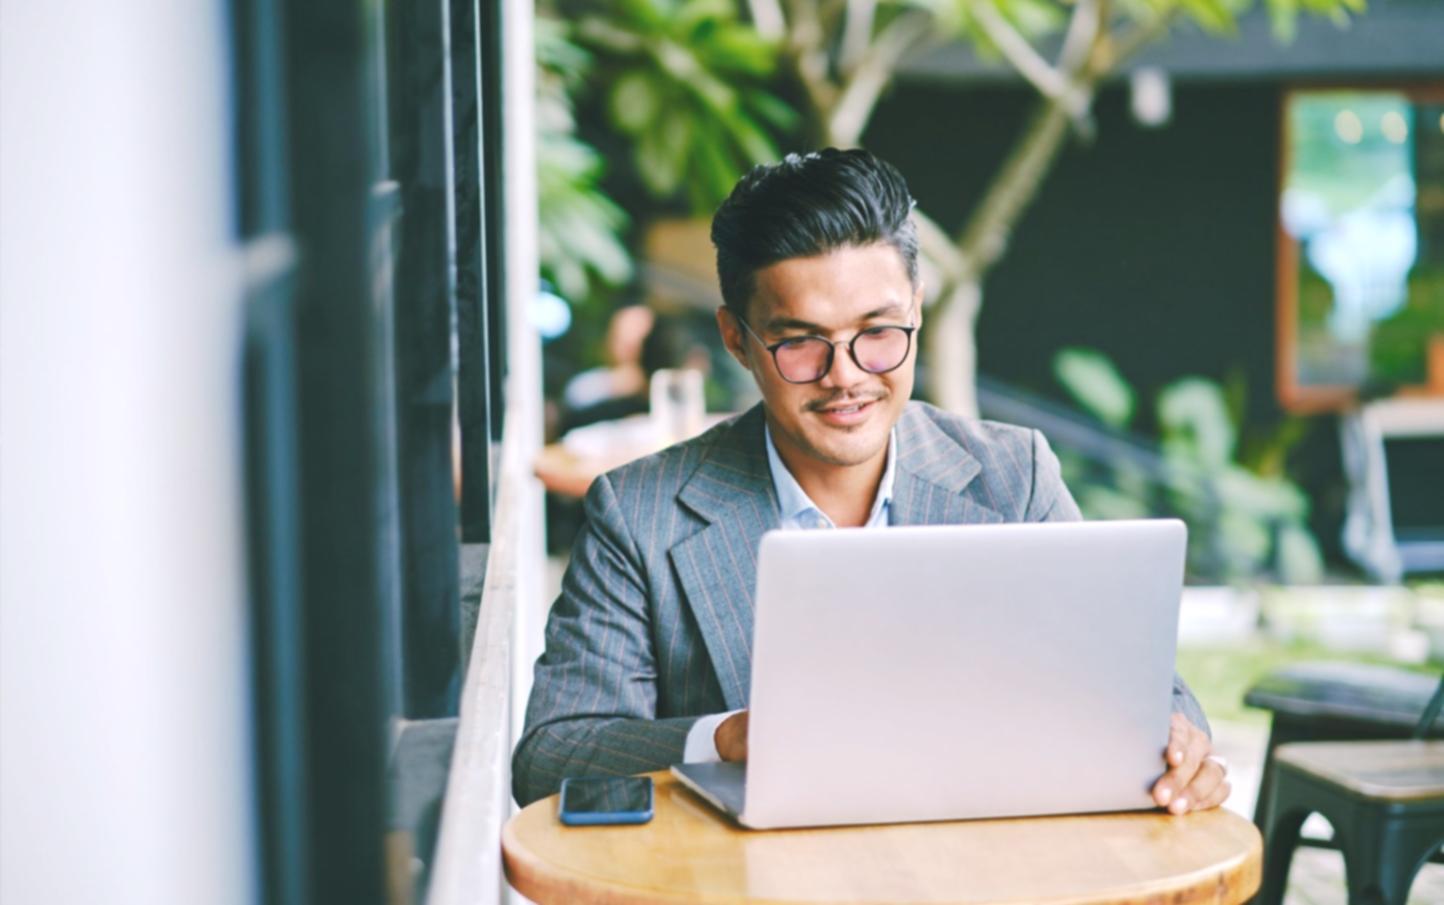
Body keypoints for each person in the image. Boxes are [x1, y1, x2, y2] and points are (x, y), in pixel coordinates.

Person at [513, 149, 1229, 816]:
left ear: (915, 306)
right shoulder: (640, 511)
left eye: (879, 333)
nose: (847, 375)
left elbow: (1150, 693)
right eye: (800, 342)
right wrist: (725, 738)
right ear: (737, 339)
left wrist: (1180, 741)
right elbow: (553, 754)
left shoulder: (1015, 474)